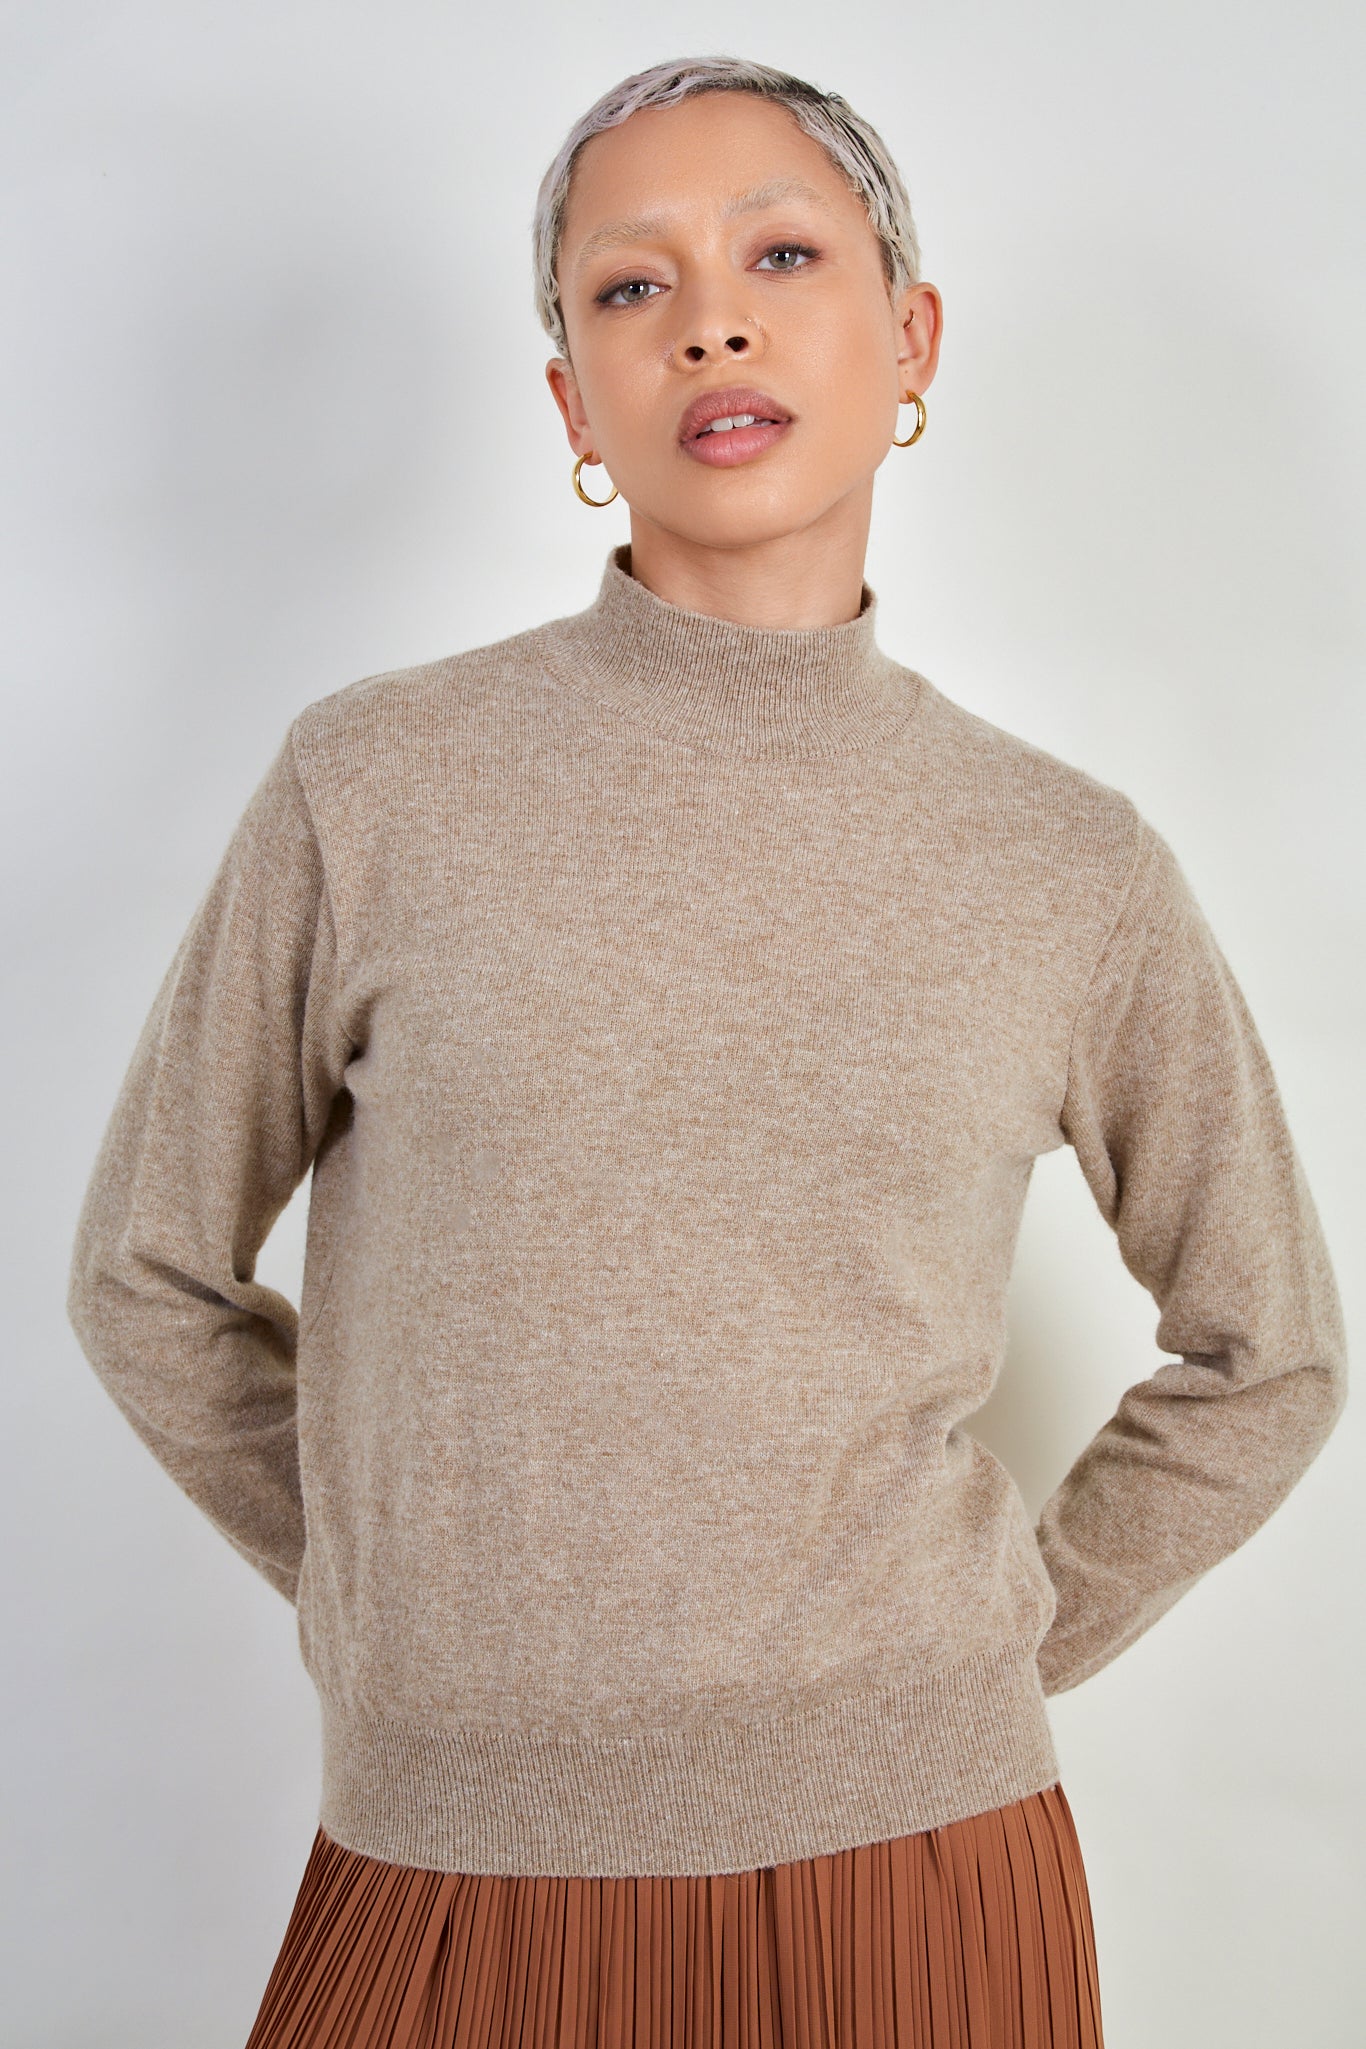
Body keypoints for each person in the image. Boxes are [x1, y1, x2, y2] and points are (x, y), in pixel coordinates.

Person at [66, 52, 1347, 2049]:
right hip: (443, 1854)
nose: (711, 323)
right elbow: (144, 1273)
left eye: (780, 254)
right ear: (571, 403)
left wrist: (978, 1650)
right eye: (629, 285)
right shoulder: (373, 784)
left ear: (910, 339)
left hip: (920, 1872)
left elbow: (1269, 1351)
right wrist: (397, 1609)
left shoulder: (1062, 860)